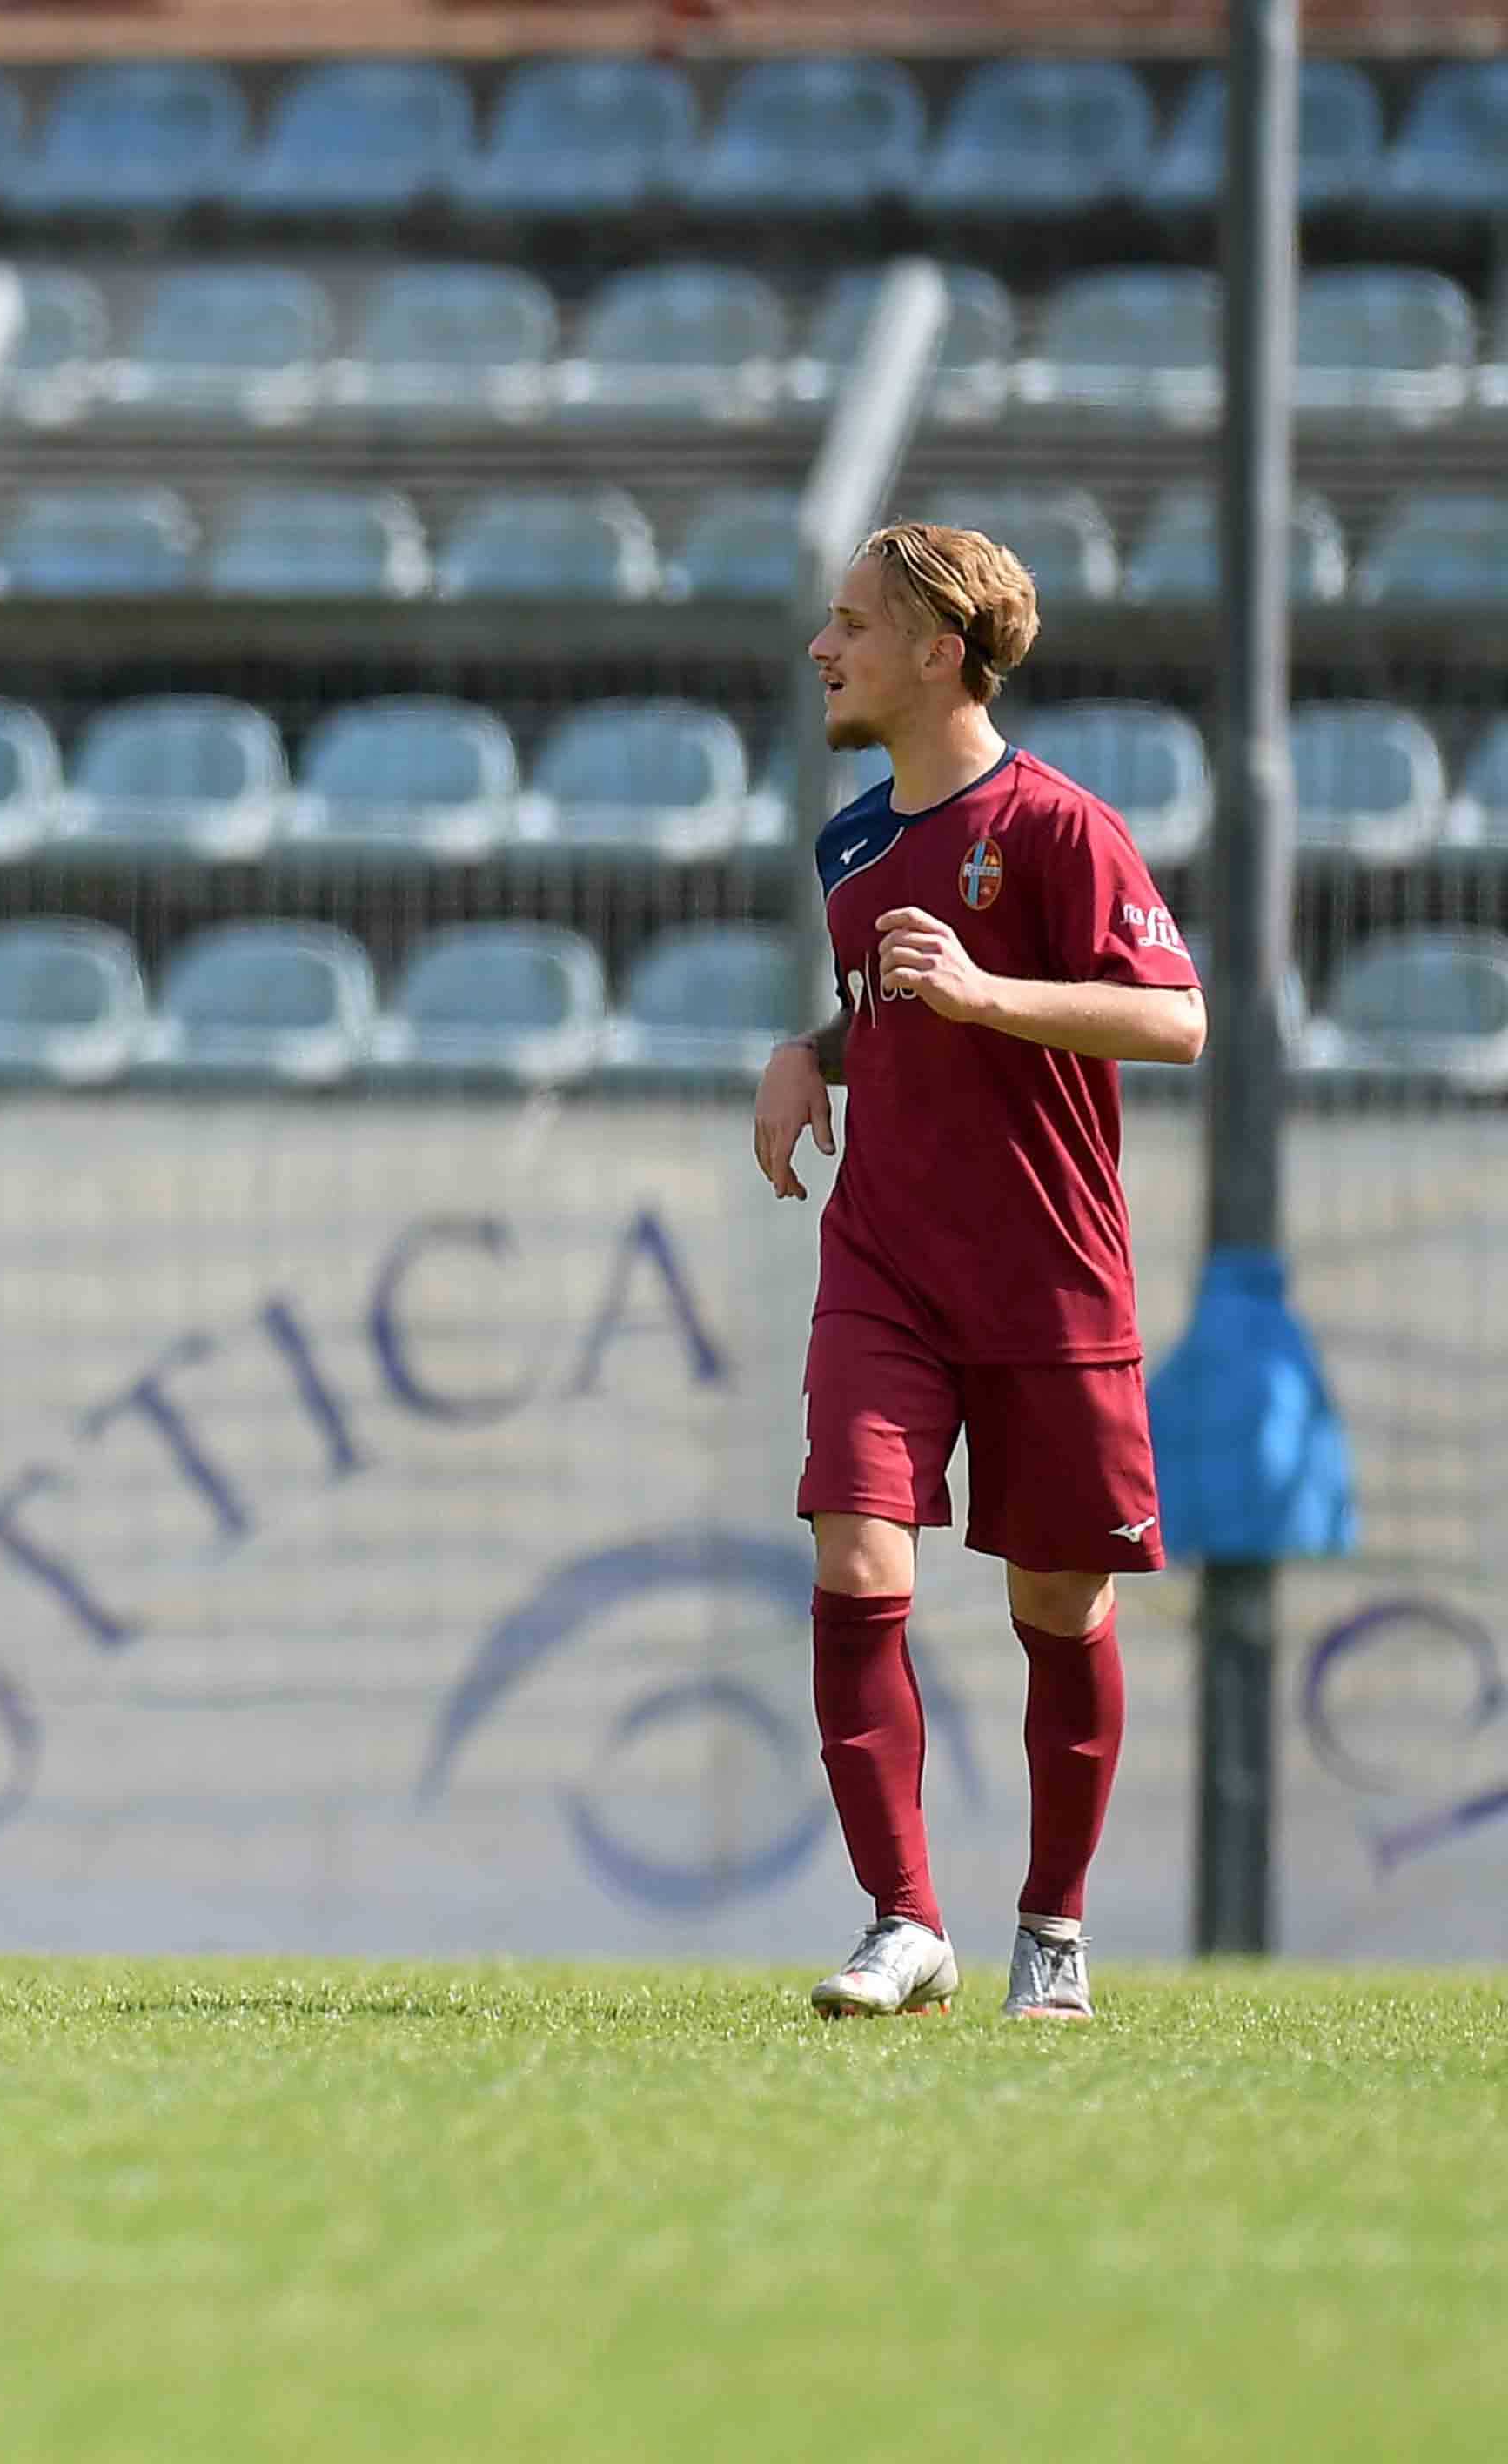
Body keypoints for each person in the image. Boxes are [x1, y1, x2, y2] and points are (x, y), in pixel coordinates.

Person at [752, 524, 1207, 2022]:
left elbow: (1177, 1019)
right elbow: (891, 1011)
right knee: (853, 1555)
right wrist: (807, 1053)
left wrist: (987, 989)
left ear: (939, 652)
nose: (823, 649)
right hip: (884, 1260)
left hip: (1048, 1277)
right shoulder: (850, 842)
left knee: (1058, 1606)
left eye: (850, 624)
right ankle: (905, 1922)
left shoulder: (1061, 828)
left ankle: (1052, 1929)